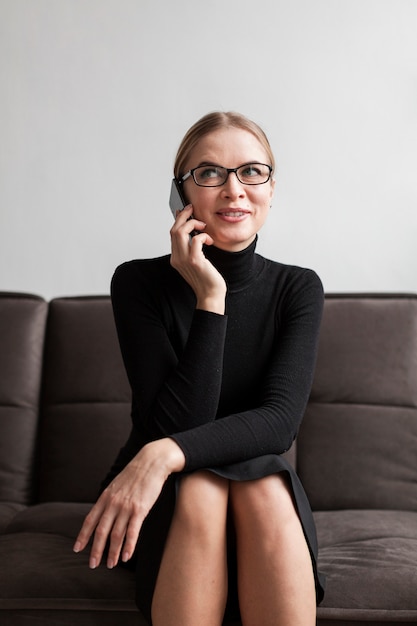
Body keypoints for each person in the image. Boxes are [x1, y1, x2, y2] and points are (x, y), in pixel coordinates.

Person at [74, 111, 325, 625]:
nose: (234, 189)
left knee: (262, 481)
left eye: (252, 172)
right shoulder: (138, 284)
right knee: (204, 488)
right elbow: (178, 423)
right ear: (181, 195)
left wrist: (163, 454)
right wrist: (211, 297)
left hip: (249, 494)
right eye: (210, 173)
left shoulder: (298, 289)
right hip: (166, 495)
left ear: (271, 189)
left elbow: (279, 424)